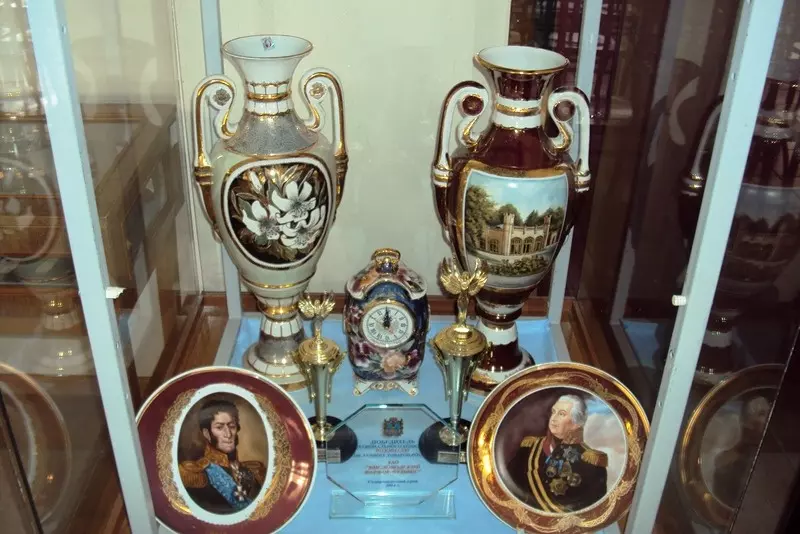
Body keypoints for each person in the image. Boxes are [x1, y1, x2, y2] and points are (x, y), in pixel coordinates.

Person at [507, 394, 608, 513]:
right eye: (553, 412)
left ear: (576, 423)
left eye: (561, 414)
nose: (553, 418)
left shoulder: (591, 462)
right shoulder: (529, 448)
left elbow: (593, 510)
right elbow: (508, 484)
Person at [179, 399, 266, 513]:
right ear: (206, 433)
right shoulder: (193, 473)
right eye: (219, 427)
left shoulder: (254, 471)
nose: (228, 434)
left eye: (232, 426)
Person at [712, 394, 771, 507]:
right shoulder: (726, 461)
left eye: (769, 412)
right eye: (762, 414)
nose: (768, 418)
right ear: (748, 423)